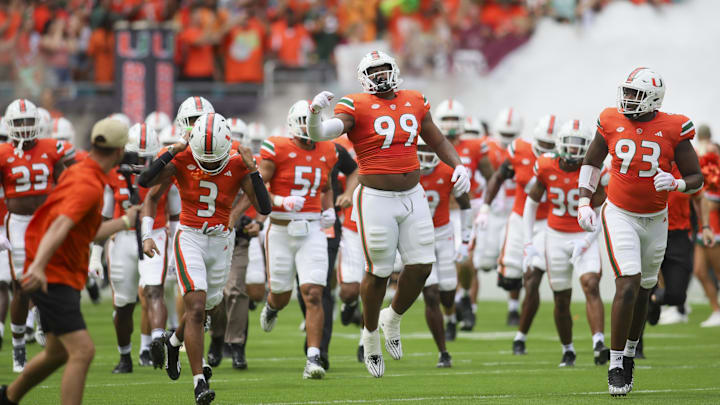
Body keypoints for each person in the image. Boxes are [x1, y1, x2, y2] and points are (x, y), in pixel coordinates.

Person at [307, 50, 470, 377]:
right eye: (374, 71)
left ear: (394, 70)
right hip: (376, 198)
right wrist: (314, 114)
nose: (380, 75)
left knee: (422, 267)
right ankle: (369, 335)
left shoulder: (415, 99)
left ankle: (391, 318)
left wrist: (459, 165)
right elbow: (322, 133)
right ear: (364, 77)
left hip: (413, 194)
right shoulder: (355, 104)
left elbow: (436, 139)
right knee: (379, 269)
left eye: (384, 69)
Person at [577, 67, 703, 396]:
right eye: (627, 91)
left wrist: (676, 183)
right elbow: (592, 161)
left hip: (657, 218)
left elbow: (696, 177)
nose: (627, 99)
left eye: (635, 93)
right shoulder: (609, 119)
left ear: (652, 97)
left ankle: (630, 354)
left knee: (646, 288)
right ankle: (616, 362)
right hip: (620, 214)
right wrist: (583, 201)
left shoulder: (675, 127)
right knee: (628, 282)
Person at [0, 118, 136, 405]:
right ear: (120, 150)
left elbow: (87, 232)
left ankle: (9, 397)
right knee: (83, 351)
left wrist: (125, 221)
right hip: (53, 272)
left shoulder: (86, 172)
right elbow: (60, 225)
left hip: (61, 269)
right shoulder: (87, 182)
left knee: (57, 352)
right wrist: (37, 267)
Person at [138, 112, 270, 405]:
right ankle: (199, 382)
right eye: (204, 158)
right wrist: (173, 150)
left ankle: (174, 342)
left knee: (208, 308)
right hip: (191, 237)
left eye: (215, 158)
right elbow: (146, 181)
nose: (209, 164)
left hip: (222, 241)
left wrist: (253, 171)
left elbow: (265, 207)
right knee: (195, 307)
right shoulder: (183, 156)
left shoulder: (237, 161)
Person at [257, 100, 338, 379]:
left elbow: (326, 186)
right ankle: (272, 307)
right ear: (293, 123)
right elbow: (257, 188)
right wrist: (279, 199)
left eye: (311, 121)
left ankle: (313, 358)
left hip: (312, 231)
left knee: (314, 293)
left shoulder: (328, 149)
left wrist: (329, 210)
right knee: (280, 295)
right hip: (280, 230)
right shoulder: (276, 147)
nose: (307, 127)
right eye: (302, 121)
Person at [91, 123, 181, 373]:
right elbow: (105, 217)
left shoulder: (166, 173)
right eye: (136, 156)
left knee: (154, 290)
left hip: (156, 234)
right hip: (122, 238)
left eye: (146, 157)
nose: (142, 162)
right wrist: (96, 255)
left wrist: (175, 250)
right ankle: (125, 355)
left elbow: (175, 216)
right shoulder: (114, 175)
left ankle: (156, 340)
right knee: (124, 304)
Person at [523, 119, 609, 367]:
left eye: (580, 144)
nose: (574, 149)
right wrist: (528, 243)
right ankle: (568, 349)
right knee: (561, 297)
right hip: (556, 236)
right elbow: (531, 203)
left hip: (584, 235)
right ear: (560, 143)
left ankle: (598, 343)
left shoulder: (593, 168)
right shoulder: (546, 164)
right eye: (570, 144)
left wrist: (589, 238)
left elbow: (602, 208)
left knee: (590, 283)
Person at [0, 99, 74, 372]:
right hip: (18, 223)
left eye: (28, 121)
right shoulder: (3, 152)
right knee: (21, 286)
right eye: (18, 122)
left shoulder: (52, 148)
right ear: (9, 125)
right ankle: (18, 344)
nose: (24, 127)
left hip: (46, 221)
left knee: (49, 280)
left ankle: (47, 329)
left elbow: (67, 181)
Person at [479, 114, 556, 342]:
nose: (545, 150)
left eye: (551, 146)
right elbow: (498, 177)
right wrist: (485, 206)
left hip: (548, 223)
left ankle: (521, 333)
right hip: (521, 218)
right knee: (509, 280)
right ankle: (515, 306)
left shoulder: (569, 159)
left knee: (532, 278)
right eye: (542, 144)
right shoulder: (520, 150)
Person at [433, 99, 493, 334]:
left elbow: (492, 177)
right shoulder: (429, 146)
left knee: (466, 261)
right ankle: (451, 313)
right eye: (445, 119)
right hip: (439, 210)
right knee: (441, 268)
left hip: (467, 209)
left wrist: (488, 205)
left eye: (453, 119)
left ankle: (465, 297)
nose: (449, 124)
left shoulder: (476, 146)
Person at [417, 137, 472, 367]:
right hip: (417, 236)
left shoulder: (447, 169)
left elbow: (465, 203)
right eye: (422, 149)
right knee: (430, 294)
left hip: (443, 232)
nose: (427, 153)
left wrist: (466, 239)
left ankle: (450, 317)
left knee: (447, 291)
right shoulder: (404, 171)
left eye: (431, 148)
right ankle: (443, 352)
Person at [475, 108, 525, 326]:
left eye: (510, 134)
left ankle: (513, 309)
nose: (506, 139)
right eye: (503, 134)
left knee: (514, 264)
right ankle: (468, 306)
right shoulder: (486, 147)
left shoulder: (525, 149)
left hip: (513, 212)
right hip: (492, 212)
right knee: (480, 263)